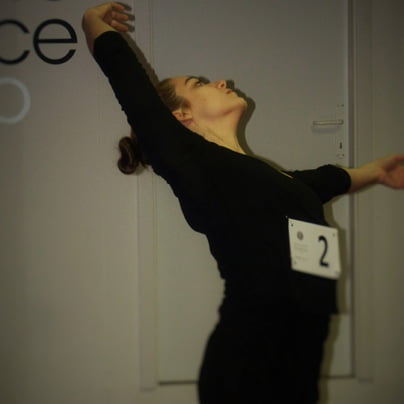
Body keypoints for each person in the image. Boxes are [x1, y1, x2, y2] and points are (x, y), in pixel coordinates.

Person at [82, 3, 404, 403]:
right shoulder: (191, 161)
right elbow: (127, 79)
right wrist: (91, 22)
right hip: (249, 364)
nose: (220, 81)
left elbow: (325, 180)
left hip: (300, 359)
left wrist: (377, 171)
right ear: (180, 116)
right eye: (199, 83)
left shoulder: (270, 179)